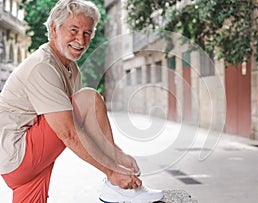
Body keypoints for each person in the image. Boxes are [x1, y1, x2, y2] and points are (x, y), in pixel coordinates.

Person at [0, 0, 163, 202]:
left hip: (17, 160)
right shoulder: (42, 66)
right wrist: (112, 171)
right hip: (19, 151)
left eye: (87, 33)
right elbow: (69, 133)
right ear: (54, 28)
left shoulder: (70, 68)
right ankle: (115, 186)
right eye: (74, 30)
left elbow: (84, 125)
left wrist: (118, 154)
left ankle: (117, 182)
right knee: (90, 99)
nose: (81, 40)